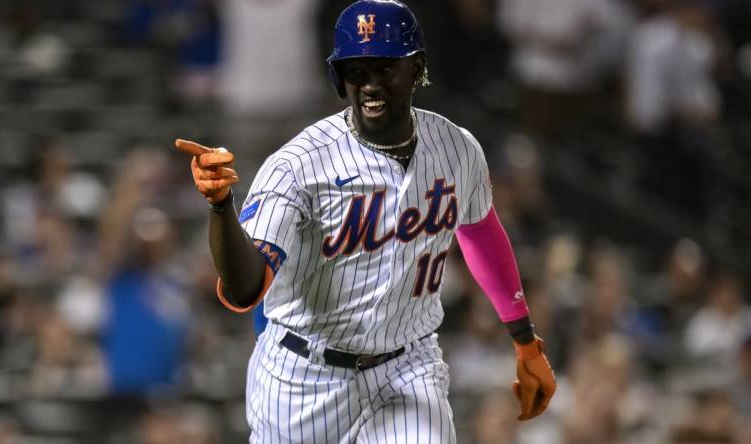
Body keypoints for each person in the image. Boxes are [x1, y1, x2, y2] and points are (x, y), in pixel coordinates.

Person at [175, 1, 555, 441]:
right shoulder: (299, 165)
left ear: (416, 69)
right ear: (340, 78)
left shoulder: (456, 148)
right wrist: (221, 207)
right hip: (304, 376)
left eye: (385, 67)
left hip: (407, 366)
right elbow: (244, 289)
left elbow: (479, 230)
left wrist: (525, 340)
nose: (370, 84)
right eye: (357, 70)